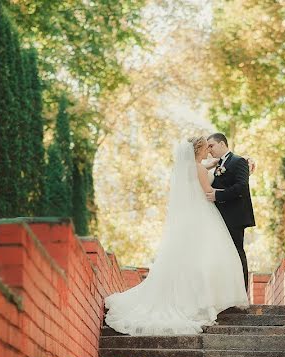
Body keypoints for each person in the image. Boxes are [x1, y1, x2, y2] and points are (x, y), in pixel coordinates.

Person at [103, 137, 249, 335]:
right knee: (213, 256)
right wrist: (217, 191)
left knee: (192, 258)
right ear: (199, 149)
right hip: (204, 213)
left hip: (192, 216)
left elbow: (203, 168)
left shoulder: (189, 167)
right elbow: (208, 191)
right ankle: (205, 300)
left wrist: (213, 164)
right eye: (207, 148)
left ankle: (194, 298)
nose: (209, 152)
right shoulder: (198, 168)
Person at [205, 133, 256, 290]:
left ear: (222, 144)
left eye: (211, 146)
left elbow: (241, 187)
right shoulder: (218, 165)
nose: (209, 150)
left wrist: (217, 195)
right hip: (221, 217)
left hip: (234, 217)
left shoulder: (238, 161)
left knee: (237, 252)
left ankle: (242, 293)